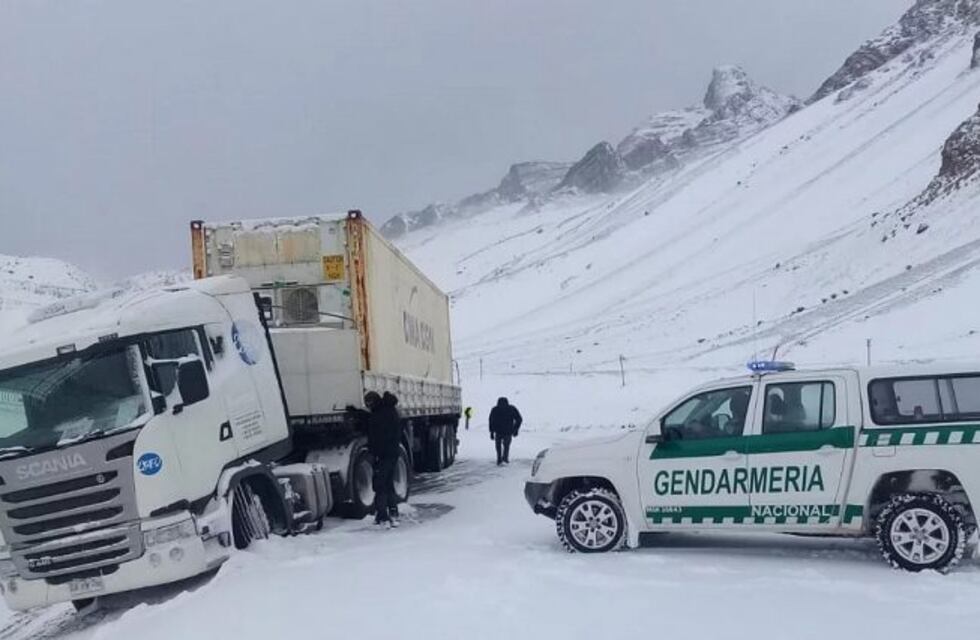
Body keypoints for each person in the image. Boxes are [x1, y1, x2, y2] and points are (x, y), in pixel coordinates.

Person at [358, 391, 402, 527]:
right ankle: (393, 510)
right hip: (391, 453)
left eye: (369, 403)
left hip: (383, 454)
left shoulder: (379, 415)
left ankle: (382, 514)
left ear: (374, 402)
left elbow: (376, 432)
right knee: (388, 482)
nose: (368, 406)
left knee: (379, 483)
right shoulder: (389, 411)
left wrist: (375, 453)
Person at [489, 397, 522, 466]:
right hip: (508, 431)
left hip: (498, 431)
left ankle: (499, 459)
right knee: (506, 446)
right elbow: (519, 419)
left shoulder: (495, 409)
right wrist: (515, 429)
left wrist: (491, 432)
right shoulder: (511, 409)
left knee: (498, 446)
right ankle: (505, 459)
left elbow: (491, 421)